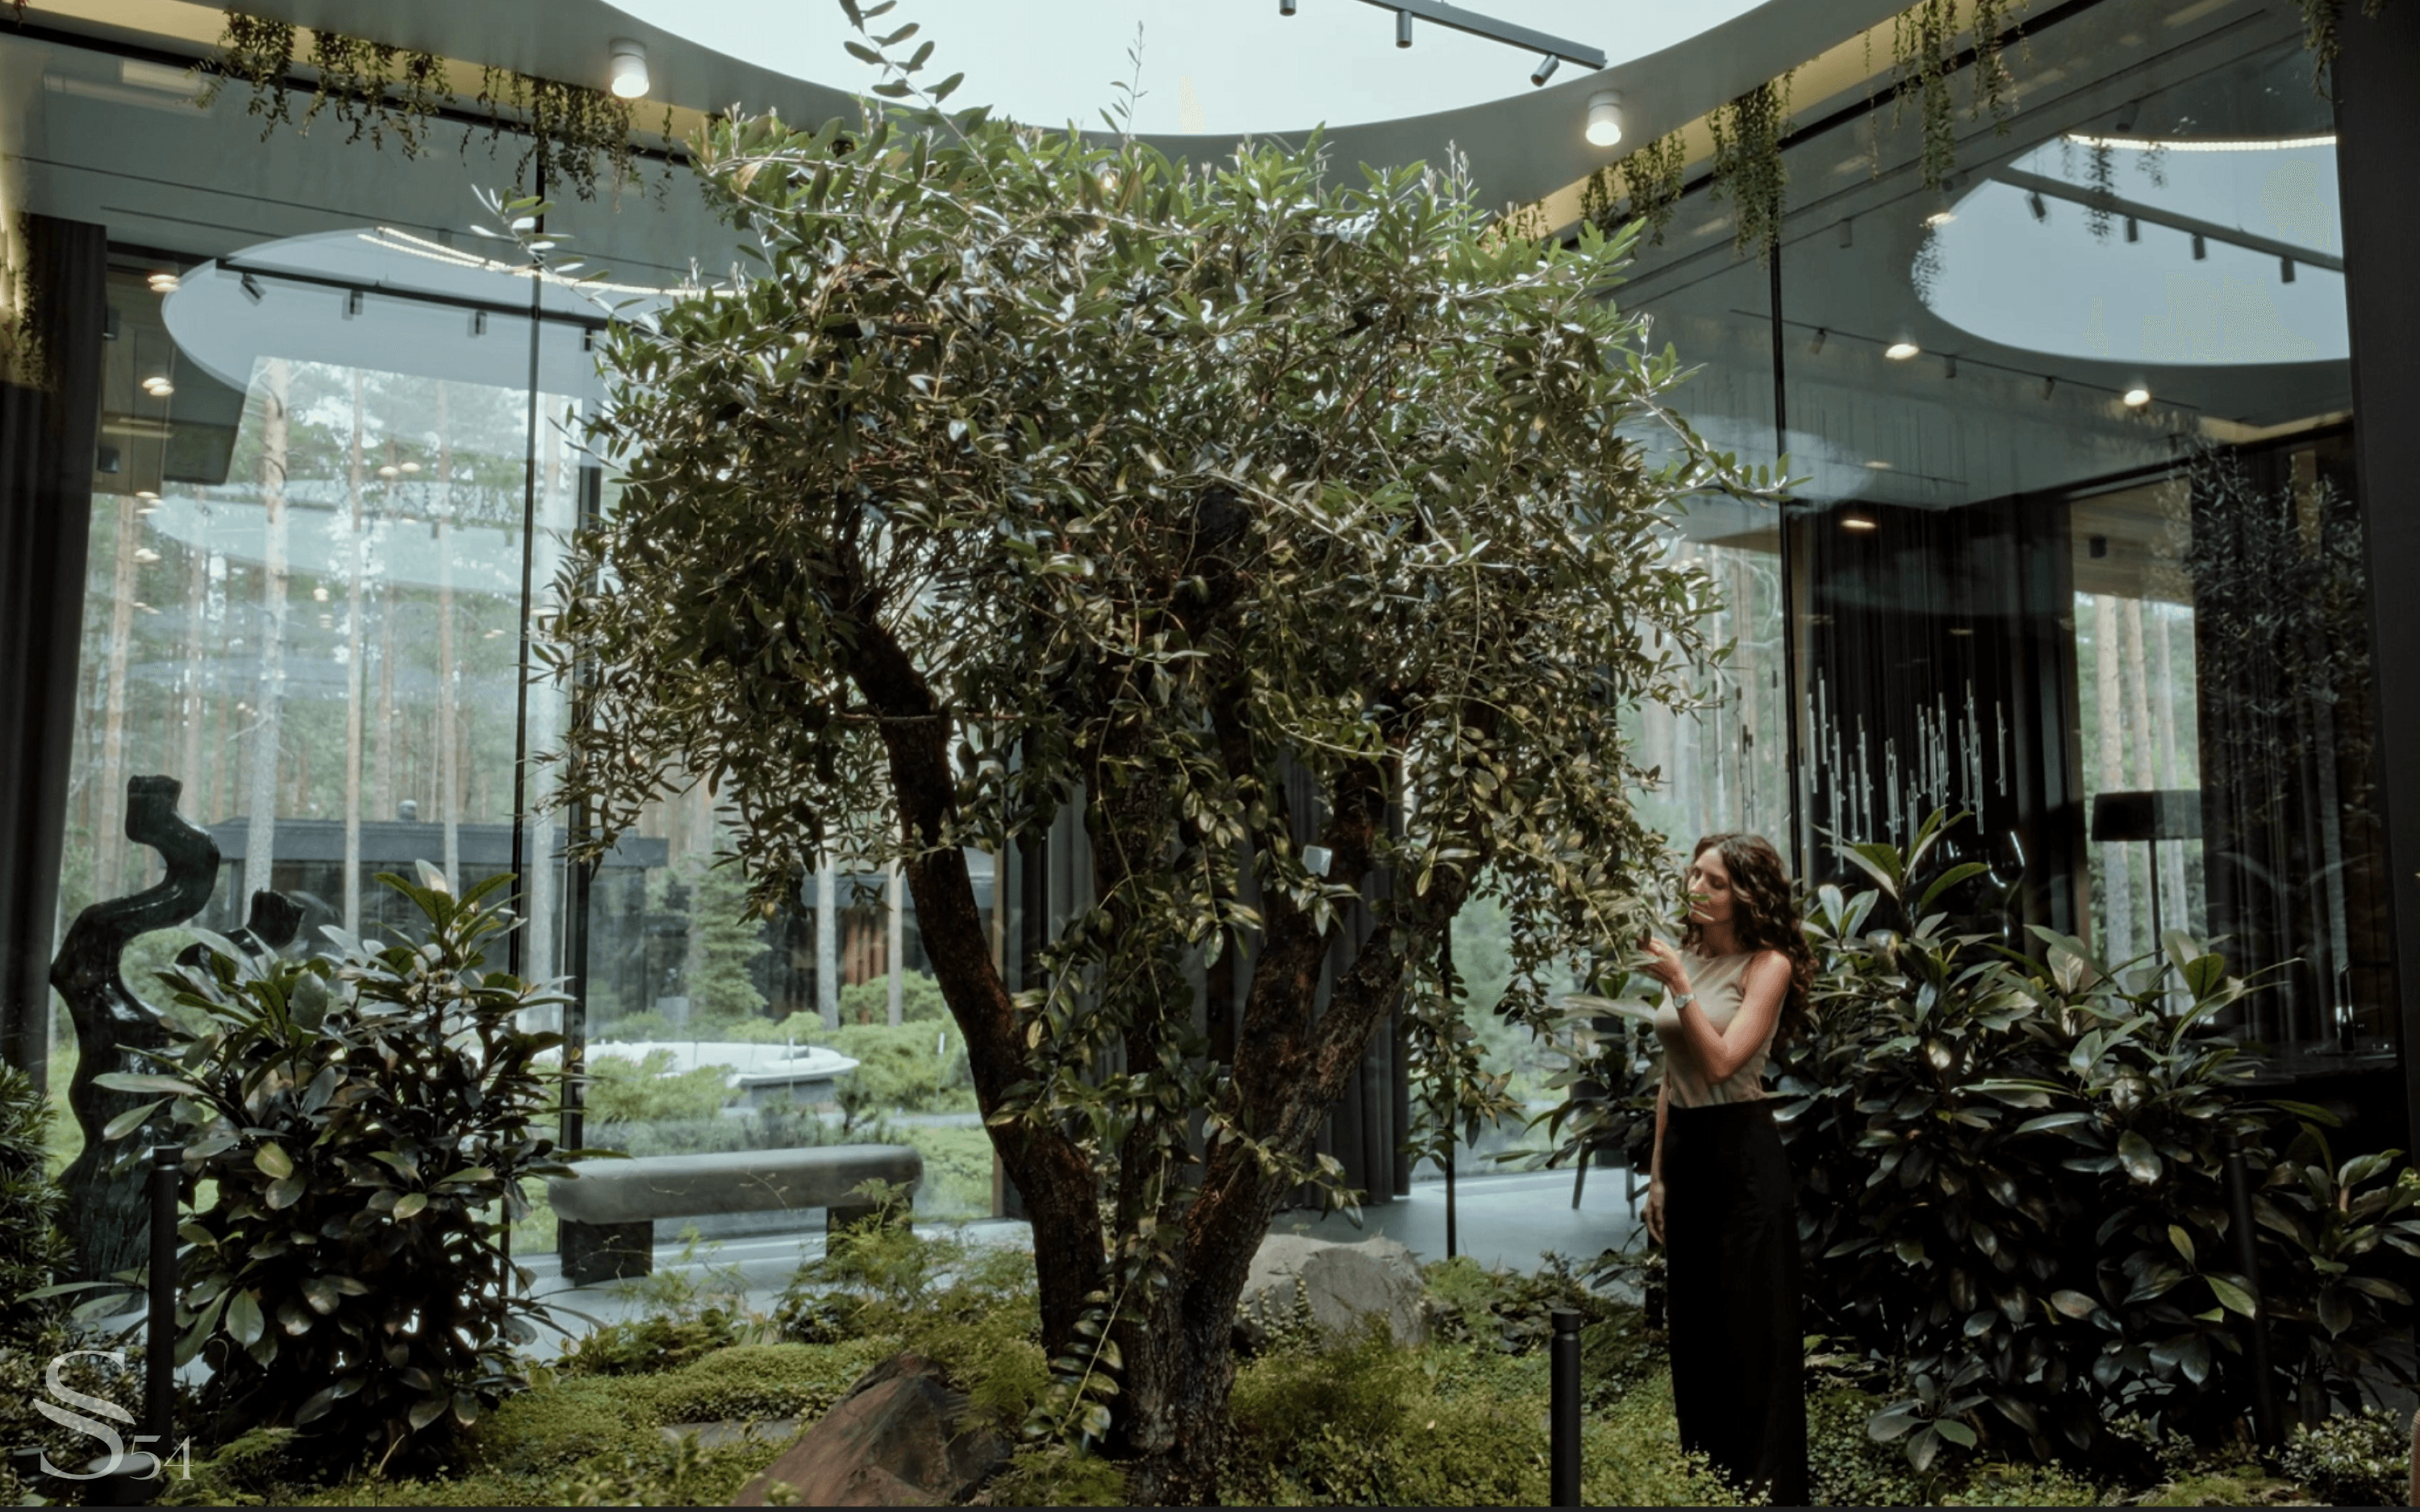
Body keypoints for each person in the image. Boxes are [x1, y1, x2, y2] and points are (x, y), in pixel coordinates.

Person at [1639, 831, 1812, 1506]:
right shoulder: (1684, 954)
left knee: (1753, 1343)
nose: (1695, 888)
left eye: (1711, 880)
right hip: (1687, 1151)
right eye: (1693, 874)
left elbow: (1720, 1063)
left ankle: (1768, 1495)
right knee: (1698, 1339)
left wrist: (1681, 986)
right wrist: (1657, 1175)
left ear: (1744, 893)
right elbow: (1672, 1077)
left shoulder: (1767, 965)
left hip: (1743, 1157)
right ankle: (1710, 1489)